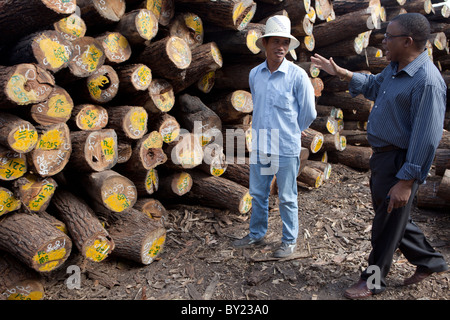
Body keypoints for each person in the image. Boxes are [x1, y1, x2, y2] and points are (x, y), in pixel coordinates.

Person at [311, 12, 448, 299]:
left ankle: (372, 281)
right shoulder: (397, 67)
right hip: (384, 159)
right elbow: (374, 86)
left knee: (384, 229)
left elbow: (426, 138)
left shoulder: (428, 82)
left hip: (401, 162)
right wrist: (342, 73)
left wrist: (406, 181)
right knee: (392, 220)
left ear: (408, 41)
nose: (383, 41)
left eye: (389, 37)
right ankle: (431, 262)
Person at [232, 15, 316, 258]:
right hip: (261, 146)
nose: (281, 47)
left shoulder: (297, 76)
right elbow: (258, 105)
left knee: (288, 197)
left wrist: (293, 128)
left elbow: (309, 112)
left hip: (286, 147)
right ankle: (257, 235)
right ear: (265, 44)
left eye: (285, 43)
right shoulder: (255, 74)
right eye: (276, 42)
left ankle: (289, 242)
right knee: (259, 193)